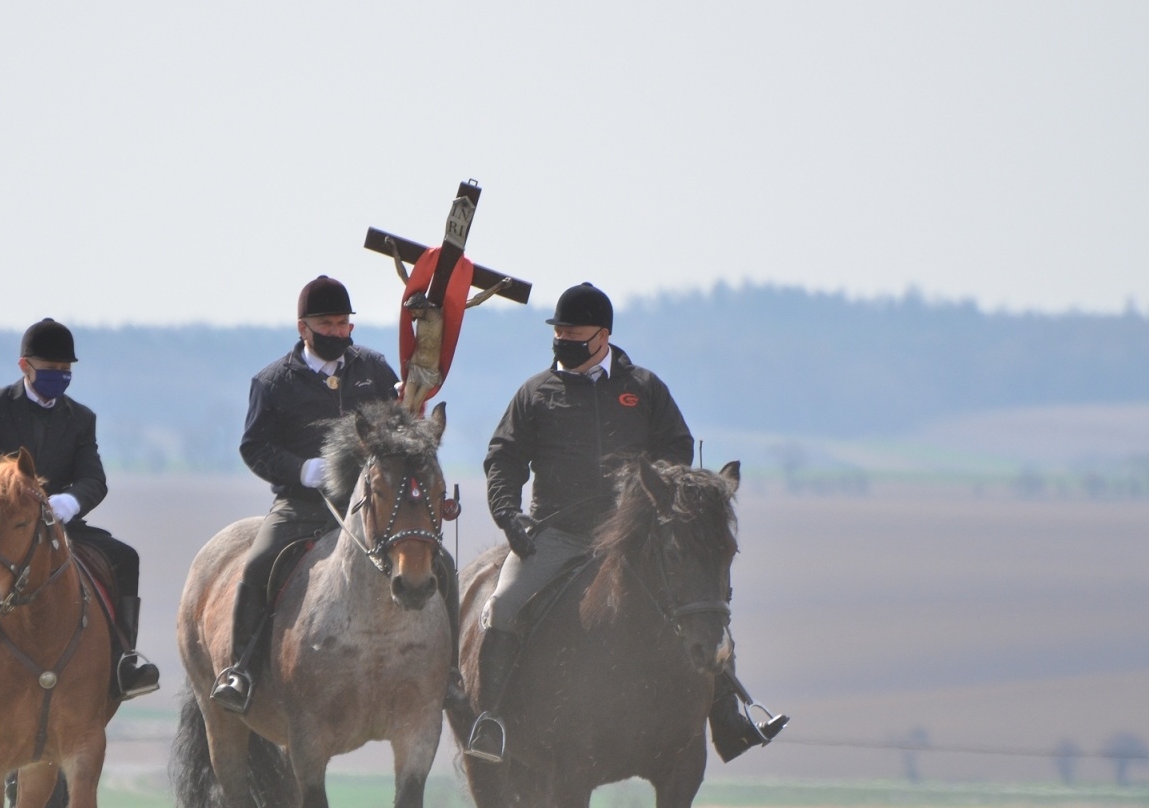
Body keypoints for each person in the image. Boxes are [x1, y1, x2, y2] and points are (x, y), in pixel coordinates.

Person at [467, 281, 788, 763]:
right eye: (559, 331)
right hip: (553, 533)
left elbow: (677, 448)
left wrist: (649, 498)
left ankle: (728, 717)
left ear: (602, 336)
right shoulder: (535, 393)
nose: (562, 339)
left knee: (701, 601)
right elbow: (503, 459)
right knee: (504, 606)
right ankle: (490, 722)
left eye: (573, 332)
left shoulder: (644, 388)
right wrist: (508, 516)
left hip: (632, 537)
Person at [211, 275, 439, 712]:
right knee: (257, 566)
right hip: (301, 505)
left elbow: (398, 431)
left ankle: (448, 675)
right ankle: (240, 669)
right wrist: (301, 470)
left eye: (343, 324)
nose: (337, 332)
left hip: (372, 507)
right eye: (328, 324)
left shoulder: (373, 369)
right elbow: (253, 447)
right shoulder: (272, 382)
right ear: (303, 328)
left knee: (437, 561)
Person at [0, 317, 160, 706]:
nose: (59, 377)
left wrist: (70, 502)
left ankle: (124, 659)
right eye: (50, 370)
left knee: (126, 558)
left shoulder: (81, 418)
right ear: (25, 366)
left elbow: (94, 477)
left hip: (55, 524)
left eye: (65, 371)